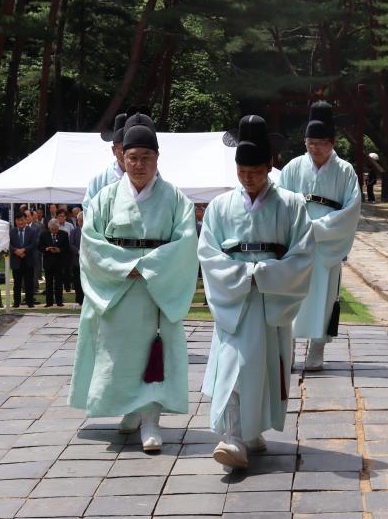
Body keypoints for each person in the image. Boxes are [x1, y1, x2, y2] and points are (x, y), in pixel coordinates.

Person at [68, 118, 198, 453]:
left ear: (157, 158)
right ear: (122, 159)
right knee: (120, 356)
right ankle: (129, 409)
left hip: (156, 291)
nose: (139, 165)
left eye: (146, 157)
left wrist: (148, 267)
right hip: (118, 289)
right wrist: (127, 266)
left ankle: (151, 421)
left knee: (154, 357)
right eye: (133, 157)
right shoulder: (105, 198)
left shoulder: (175, 199)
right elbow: (91, 243)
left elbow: (185, 244)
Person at [199, 115, 314, 470]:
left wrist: (262, 274)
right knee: (233, 365)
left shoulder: (292, 204)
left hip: (269, 300)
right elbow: (208, 253)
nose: (248, 178)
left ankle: (249, 432)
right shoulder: (220, 206)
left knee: (262, 367)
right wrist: (241, 275)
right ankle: (232, 437)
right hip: (235, 301)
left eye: (255, 171)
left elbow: (302, 254)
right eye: (242, 170)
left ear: (270, 165)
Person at [278, 102, 361, 371]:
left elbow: (351, 209)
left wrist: (316, 228)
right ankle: (287, 349)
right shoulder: (292, 167)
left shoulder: (345, 171)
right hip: (296, 244)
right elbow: (279, 204)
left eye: (321, 142)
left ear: (333, 142)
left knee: (324, 298)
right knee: (291, 297)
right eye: (311, 142)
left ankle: (316, 350)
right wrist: (297, 230)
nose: (315, 148)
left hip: (327, 247)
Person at [82, 113, 127, 212]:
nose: (128, 153)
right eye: (123, 148)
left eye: (132, 148)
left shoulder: (150, 176)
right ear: (114, 150)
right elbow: (89, 213)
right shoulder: (98, 181)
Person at [39, 218, 69, 307]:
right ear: (49, 228)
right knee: (48, 283)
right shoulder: (44, 234)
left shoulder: (64, 234)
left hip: (59, 262)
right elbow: (39, 247)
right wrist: (46, 249)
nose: (54, 232)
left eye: (56, 230)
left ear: (58, 228)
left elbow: (67, 248)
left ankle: (59, 301)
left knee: (59, 283)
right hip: (48, 262)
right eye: (52, 230)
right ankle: (49, 302)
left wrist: (59, 250)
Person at [10, 213, 37, 308]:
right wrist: (15, 251)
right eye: (18, 220)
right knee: (17, 283)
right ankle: (16, 302)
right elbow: (8, 244)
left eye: (22, 220)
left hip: (28, 260)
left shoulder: (32, 231)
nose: (20, 222)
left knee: (29, 283)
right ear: (15, 221)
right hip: (16, 261)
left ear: (26, 220)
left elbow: (33, 244)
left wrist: (24, 250)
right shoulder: (11, 232)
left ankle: (30, 302)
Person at [67, 212, 84, 305]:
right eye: (80, 221)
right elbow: (71, 244)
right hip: (77, 260)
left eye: (82, 220)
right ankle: (79, 299)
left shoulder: (90, 231)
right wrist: (78, 251)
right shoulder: (74, 231)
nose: (81, 222)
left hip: (88, 261)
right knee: (77, 281)